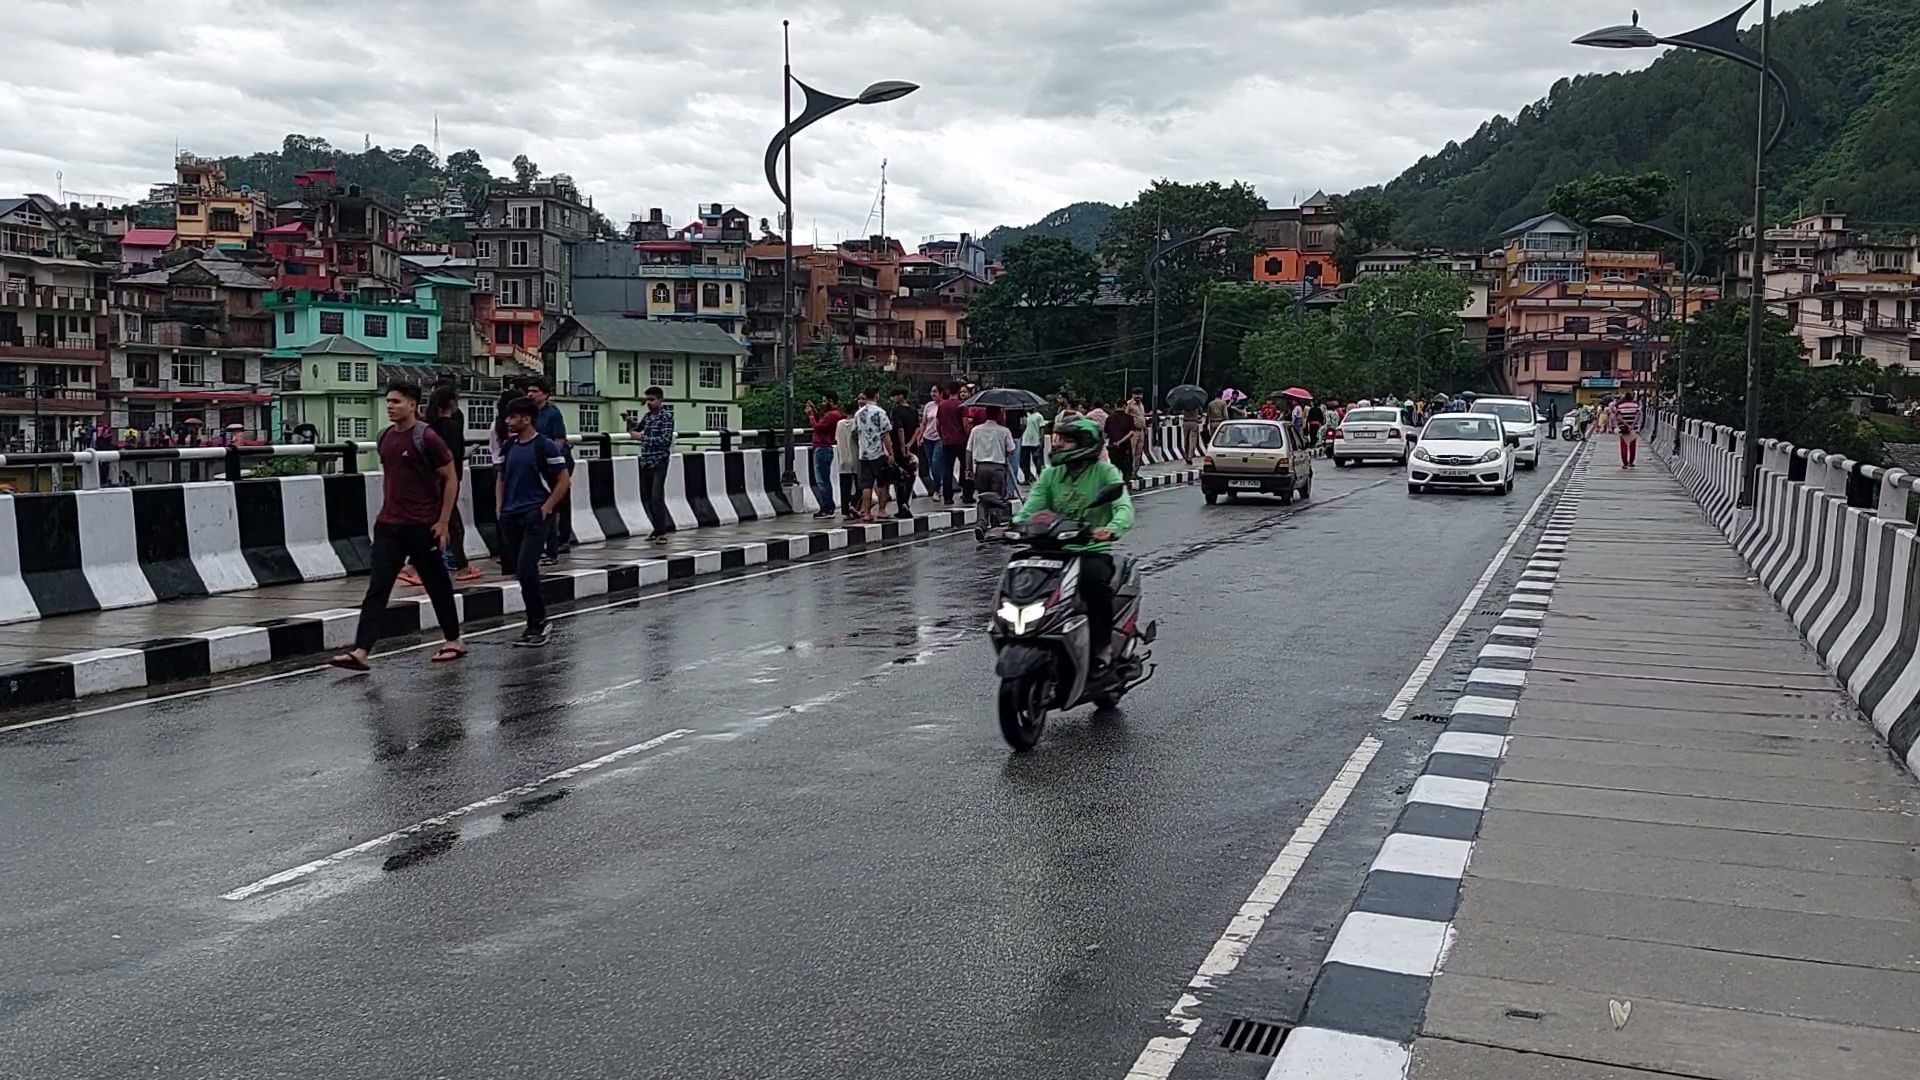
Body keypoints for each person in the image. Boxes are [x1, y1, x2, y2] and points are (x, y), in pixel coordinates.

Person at [329, 382, 464, 671]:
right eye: (388, 402)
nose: (390, 406)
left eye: (397, 402)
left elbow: (451, 477)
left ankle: (453, 640)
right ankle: (361, 651)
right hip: (389, 525)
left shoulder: (427, 437)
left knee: (437, 585)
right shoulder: (385, 437)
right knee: (378, 587)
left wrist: (442, 521)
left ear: (413, 405)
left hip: (423, 525)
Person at [1013, 417, 1134, 668]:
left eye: (1066, 441)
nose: (1058, 445)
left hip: (1090, 551)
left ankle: (1102, 645)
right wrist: (1014, 526)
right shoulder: (1051, 474)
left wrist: (1110, 529)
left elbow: (1123, 507)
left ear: (1085, 444)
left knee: (1093, 582)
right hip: (1053, 550)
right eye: (1058, 440)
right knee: (1021, 577)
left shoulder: (1105, 472)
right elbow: (1031, 508)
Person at [493, 396, 573, 646]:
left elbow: (564, 481)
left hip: (535, 514)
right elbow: (502, 478)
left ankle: (538, 623)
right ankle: (534, 622)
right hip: (511, 515)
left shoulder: (545, 446)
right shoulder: (509, 447)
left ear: (527, 419)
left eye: (514, 417)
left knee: (527, 569)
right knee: (520, 571)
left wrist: (545, 508)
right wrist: (500, 508)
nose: (509, 422)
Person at [423, 383, 482, 582]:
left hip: (431, 481)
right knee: (452, 525)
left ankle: (421, 565)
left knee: (440, 523)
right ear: (450, 403)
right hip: (449, 481)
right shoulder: (452, 427)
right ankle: (460, 566)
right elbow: (455, 455)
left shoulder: (429, 428)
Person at [526, 380, 572, 563]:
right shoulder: (529, 413)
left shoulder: (552, 413)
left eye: (534, 390)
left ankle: (562, 540)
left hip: (555, 462)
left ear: (545, 394)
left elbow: (559, 439)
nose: (530, 394)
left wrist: (555, 462)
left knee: (558, 502)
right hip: (537, 463)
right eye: (529, 390)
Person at [630, 385, 675, 540]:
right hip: (646, 461)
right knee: (647, 497)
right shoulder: (648, 417)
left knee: (656, 496)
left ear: (660, 400)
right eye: (647, 399)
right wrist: (628, 422)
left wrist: (643, 438)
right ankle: (656, 529)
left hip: (659, 460)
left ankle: (662, 532)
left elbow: (665, 440)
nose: (649, 403)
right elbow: (636, 429)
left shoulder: (666, 417)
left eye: (652, 399)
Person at [852, 387, 894, 521]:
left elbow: (854, 432)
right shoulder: (880, 412)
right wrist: (891, 453)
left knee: (866, 484)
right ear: (877, 395)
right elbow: (886, 435)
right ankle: (881, 510)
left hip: (863, 454)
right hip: (878, 452)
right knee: (882, 483)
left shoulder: (858, 413)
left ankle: (867, 513)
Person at [967, 405, 1017, 506]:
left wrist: (969, 469)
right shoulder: (1004, 431)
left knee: (983, 497)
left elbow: (969, 451)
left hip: (981, 468)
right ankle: (995, 519)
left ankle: (982, 519)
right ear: (999, 415)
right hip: (998, 469)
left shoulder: (976, 430)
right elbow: (1011, 450)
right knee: (997, 499)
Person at [804, 393, 843, 518]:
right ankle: (827, 507)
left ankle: (827, 508)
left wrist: (811, 416)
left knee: (822, 481)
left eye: (824, 401)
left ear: (830, 401)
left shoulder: (832, 415)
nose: (822, 403)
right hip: (825, 448)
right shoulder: (832, 414)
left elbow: (818, 428)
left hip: (822, 448)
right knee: (824, 479)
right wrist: (815, 413)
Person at [888, 388, 921, 519]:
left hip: (899, 449)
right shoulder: (913, 411)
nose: (892, 399)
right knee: (911, 476)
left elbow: (899, 429)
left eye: (894, 396)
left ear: (901, 396)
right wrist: (910, 444)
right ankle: (906, 503)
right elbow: (918, 429)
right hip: (912, 449)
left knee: (900, 477)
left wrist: (903, 447)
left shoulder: (896, 411)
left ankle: (902, 505)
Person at [934, 382, 966, 505]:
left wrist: (942, 436)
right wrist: (967, 434)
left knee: (947, 469)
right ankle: (967, 493)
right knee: (965, 467)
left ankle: (948, 497)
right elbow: (965, 424)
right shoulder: (961, 405)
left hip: (947, 441)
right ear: (958, 391)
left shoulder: (942, 405)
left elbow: (937, 424)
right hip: (961, 440)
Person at [834, 406, 858, 520]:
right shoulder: (856, 423)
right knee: (860, 485)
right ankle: (854, 505)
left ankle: (845, 510)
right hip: (856, 458)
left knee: (844, 487)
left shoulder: (839, 424)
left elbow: (836, 439)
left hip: (843, 459)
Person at [1103, 401, 1137, 479]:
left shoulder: (1109, 418)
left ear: (1116, 406)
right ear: (1125, 406)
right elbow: (1131, 433)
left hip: (1112, 445)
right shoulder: (1129, 418)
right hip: (1125, 446)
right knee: (1126, 467)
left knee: (1114, 466)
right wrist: (1120, 442)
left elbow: (1106, 434)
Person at [1125, 388, 1148, 475]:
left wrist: (1145, 429)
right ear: (1132, 395)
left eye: (1140, 394)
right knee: (1132, 452)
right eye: (1136, 394)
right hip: (1133, 432)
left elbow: (1142, 417)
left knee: (1138, 453)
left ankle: (1135, 472)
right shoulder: (1129, 404)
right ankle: (1129, 472)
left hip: (1141, 431)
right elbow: (1126, 417)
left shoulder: (1141, 405)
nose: (1138, 396)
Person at [1020, 407, 1047, 481]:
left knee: (1038, 463)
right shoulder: (1025, 416)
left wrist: (1042, 440)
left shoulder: (1039, 416)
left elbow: (1042, 429)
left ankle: (1042, 478)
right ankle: (1027, 478)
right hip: (1025, 442)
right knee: (1025, 462)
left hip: (1035, 442)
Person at [1616, 395, 1642, 468]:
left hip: (1623, 428)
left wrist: (1627, 425)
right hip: (1634, 428)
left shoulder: (1620, 406)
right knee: (1633, 446)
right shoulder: (1636, 406)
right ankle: (1631, 462)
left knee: (1623, 446)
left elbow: (1619, 417)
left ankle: (1625, 463)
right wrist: (1632, 425)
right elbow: (1637, 416)